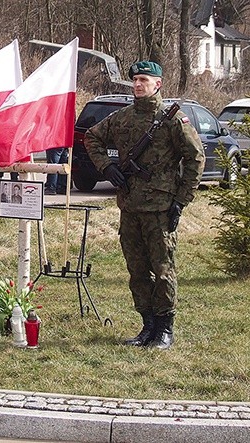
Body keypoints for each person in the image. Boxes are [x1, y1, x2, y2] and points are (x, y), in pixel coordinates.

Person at [85, 61, 204, 350]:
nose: (138, 84)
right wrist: (107, 167)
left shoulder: (173, 120)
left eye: (144, 80)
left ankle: (165, 329)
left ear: (158, 84)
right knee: (137, 270)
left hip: (161, 208)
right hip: (130, 205)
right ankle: (147, 325)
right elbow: (91, 137)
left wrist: (180, 200)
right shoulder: (122, 118)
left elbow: (195, 158)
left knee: (162, 269)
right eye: (135, 80)